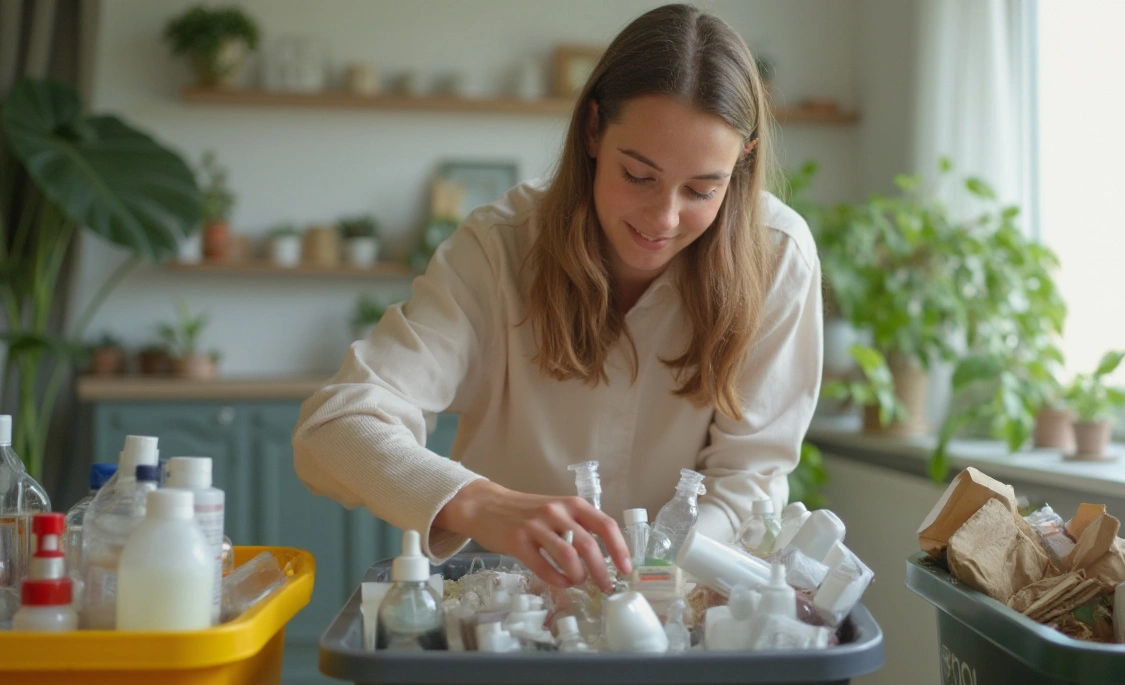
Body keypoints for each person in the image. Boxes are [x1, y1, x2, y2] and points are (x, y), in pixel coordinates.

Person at [293, 3, 822, 592]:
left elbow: (746, 483)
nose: (664, 218)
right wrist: (477, 502)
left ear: (742, 162)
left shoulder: (776, 258)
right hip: (504, 607)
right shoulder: (500, 248)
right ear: (594, 130)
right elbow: (335, 426)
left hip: (677, 610)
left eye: (701, 189)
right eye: (638, 176)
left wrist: (655, 582)